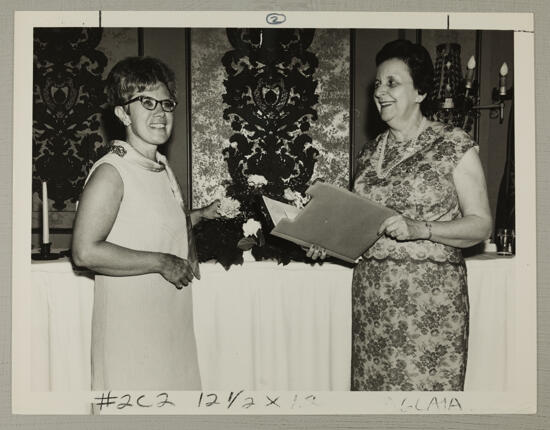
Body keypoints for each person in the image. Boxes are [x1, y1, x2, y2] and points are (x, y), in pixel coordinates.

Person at [309, 39, 492, 391]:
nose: (380, 91)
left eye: (392, 83)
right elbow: (361, 228)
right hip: (372, 301)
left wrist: (420, 228)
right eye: (377, 84)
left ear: (421, 91)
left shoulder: (454, 143)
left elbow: (481, 224)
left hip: (429, 303)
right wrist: (327, 242)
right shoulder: (369, 152)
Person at [72, 56, 220, 390]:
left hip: (168, 322)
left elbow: (148, 223)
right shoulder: (112, 172)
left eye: (167, 103)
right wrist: (160, 262)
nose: (161, 113)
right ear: (123, 113)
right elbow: (84, 252)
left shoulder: (159, 166)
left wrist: (199, 215)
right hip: (131, 331)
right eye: (147, 102)